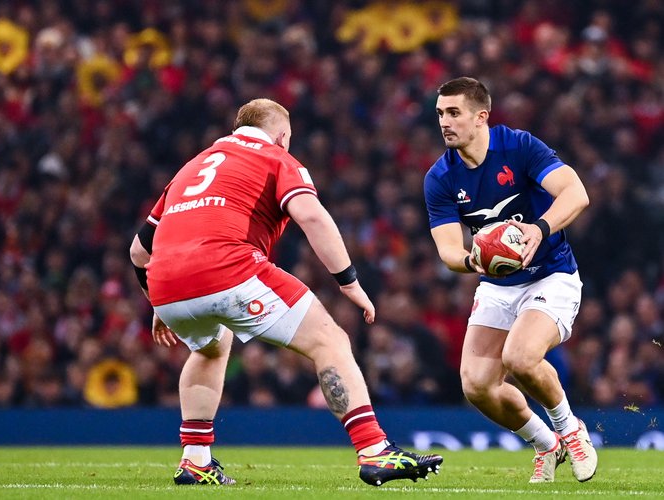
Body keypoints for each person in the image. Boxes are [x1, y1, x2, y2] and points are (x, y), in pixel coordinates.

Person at [130, 98, 443, 487]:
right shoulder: (275, 157)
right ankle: (374, 450)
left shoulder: (191, 168)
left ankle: (195, 460)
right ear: (281, 136)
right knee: (329, 340)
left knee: (210, 348)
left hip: (165, 283)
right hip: (227, 266)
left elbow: (139, 251)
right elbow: (311, 215)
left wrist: (160, 301)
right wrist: (349, 282)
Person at [424, 77, 597, 483]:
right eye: (440, 113)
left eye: (454, 113)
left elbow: (576, 193)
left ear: (481, 116)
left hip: (551, 276)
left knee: (520, 358)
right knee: (476, 385)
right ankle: (546, 444)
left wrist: (539, 228)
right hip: (498, 286)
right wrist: (473, 260)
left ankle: (571, 431)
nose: (445, 122)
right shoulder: (440, 177)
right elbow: (448, 250)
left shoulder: (519, 147)